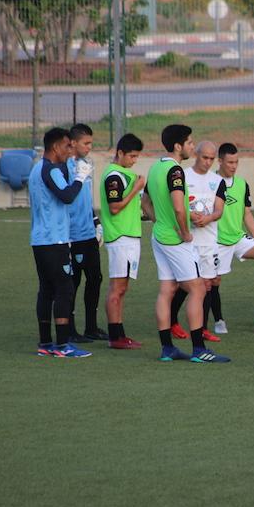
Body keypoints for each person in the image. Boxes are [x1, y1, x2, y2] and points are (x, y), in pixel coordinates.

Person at [143, 124, 229, 363]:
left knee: (167, 290)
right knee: (198, 289)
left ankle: (167, 348)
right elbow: (180, 208)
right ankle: (199, 350)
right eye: (190, 142)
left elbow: (145, 202)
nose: (192, 146)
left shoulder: (156, 167)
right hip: (175, 240)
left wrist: (159, 221)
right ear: (177, 146)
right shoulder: (175, 171)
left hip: (159, 236)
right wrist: (184, 233)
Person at [30, 127, 93, 358]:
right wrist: (80, 178)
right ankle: (63, 345)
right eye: (67, 146)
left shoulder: (37, 168)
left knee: (47, 289)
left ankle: (45, 343)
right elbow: (67, 196)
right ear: (56, 147)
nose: (70, 150)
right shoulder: (52, 170)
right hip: (54, 240)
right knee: (64, 289)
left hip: (40, 240)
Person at [213, 142, 254, 334]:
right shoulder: (210, 182)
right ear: (220, 161)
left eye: (236, 162)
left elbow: (247, 214)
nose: (234, 166)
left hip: (237, 237)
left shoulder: (241, 184)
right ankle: (219, 321)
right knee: (214, 282)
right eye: (230, 162)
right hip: (216, 241)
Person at [169, 141, 226, 343]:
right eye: (205, 157)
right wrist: (190, 215)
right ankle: (172, 321)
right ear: (196, 155)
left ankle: (202, 328)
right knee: (185, 284)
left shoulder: (218, 181)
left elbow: (219, 210)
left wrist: (208, 218)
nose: (208, 162)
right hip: (187, 240)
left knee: (207, 284)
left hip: (209, 241)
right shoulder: (182, 176)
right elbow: (176, 204)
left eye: (211, 158)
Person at [99, 133, 146, 349]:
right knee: (117, 288)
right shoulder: (114, 177)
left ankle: (119, 334)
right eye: (132, 156)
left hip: (128, 238)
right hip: (120, 238)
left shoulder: (125, 174)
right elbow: (115, 207)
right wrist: (136, 189)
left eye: (137, 156)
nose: (134, 160)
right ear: (120, 153)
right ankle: (115, 337)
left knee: (122, 288)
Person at [66, 123, 105, 343]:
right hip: (73, 236)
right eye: (86, 143)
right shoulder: (65, 167)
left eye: (91, 143)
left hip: (88, 233)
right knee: (73, 282)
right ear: (73, 143)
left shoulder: (86, 164)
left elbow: (85, 199)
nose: (89, 147)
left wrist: (96, 221)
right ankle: (70, 330)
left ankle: (91, 327)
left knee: (95, 278)